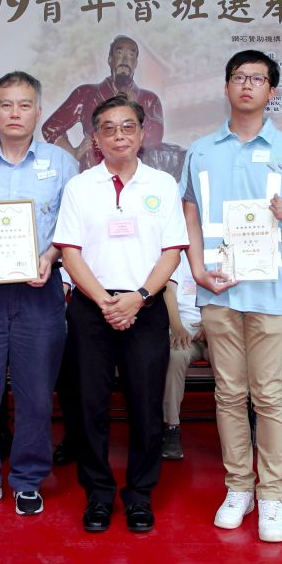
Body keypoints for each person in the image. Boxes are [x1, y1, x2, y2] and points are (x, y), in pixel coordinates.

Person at [180, 50, 282, 543]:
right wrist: (197, 270)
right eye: (239, 77)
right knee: (229, 394)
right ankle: (238, 487)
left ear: (271, 91)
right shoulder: (201, 150)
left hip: (272, 295)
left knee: (270, 396)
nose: (247, 85)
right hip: (218, 292)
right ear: (227, 86)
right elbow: (189, 215)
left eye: (258, 78)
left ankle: (272, 496)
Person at [53, 95, 187, 533]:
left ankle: (140, 495)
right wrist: (105, 301)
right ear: (96, 138)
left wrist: (140, 297)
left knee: (146, 405)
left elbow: (172, 252)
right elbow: (69, 252)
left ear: (142, 133)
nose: (119, 135)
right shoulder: (79, 186)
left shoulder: (163, 185)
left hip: (145, 307)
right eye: (109, 128)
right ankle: (97, 494)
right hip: (92, 310)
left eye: (127, 127)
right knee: (88, 405)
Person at [0, 71, 77, 517]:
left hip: (39, 290)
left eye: (24, 105)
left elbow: (72, 230)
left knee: (35, 392)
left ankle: (27, 478)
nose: (15, 113)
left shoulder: (63, 164)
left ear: (38, 111)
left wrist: (50, 256)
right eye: (6, 104)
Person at [41, 35, 163, 171]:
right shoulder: (86, 93)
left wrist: (136, 108)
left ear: (135, 63)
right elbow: (51, 127)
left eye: (131, 55)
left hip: (135, 175)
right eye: (119, 53)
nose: (125, 60)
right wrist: (73, 153)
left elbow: (155, 139)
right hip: (94, 172)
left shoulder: (149, 99)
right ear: (110, 59)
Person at [161, 254, 207, 460]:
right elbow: (168, 291)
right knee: (174, 356)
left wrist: (212, 324)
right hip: (185, 326)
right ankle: (171, 426)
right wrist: (177, 327)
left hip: (220, 326)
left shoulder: (223, 248)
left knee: (231, 363)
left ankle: (244, 423)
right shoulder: (177, 256)